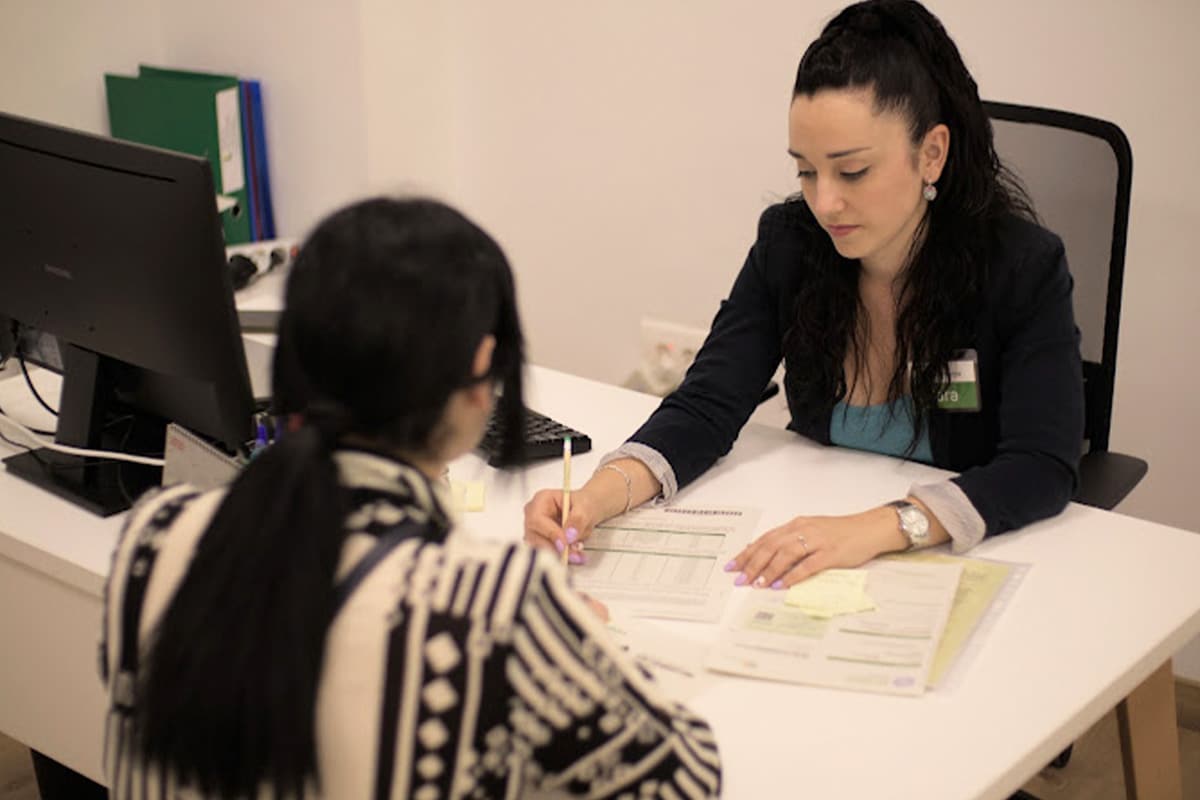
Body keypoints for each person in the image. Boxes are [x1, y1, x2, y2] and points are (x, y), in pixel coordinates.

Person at [100, 198, 721, 799]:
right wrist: (583, 644)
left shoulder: (154, 536)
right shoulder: (494, 607)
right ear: (482, 368)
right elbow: (687, 779)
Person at [525, 0, 1083, 590]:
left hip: (959, 562)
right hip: (814, 552)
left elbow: (1041, 465)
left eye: (852, 171)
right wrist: (593, 498)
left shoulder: (1022, 268)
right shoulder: (790, 245)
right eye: (806, 171)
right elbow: (706, 406)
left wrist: (877, 528)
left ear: (931, 154)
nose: (825, 203)